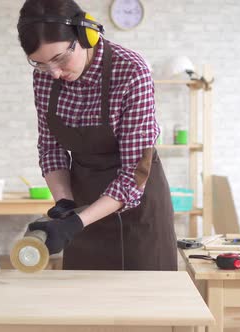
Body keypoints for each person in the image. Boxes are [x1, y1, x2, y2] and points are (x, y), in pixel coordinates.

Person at [17, 0, 177, 271]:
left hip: (138, 208)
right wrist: (65, 203)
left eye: (60, 59)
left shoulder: (130, 71)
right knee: (84, 302)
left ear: (85, 35)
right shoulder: (45, 77)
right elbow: (50, 147)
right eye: (41, 64)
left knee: (145, 303)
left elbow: (132, 175)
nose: (54, 73)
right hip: (82, 205)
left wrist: (76, 222)